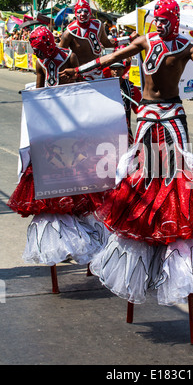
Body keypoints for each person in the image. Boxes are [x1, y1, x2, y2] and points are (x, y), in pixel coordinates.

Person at [60, 0, 193, 307]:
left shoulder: (187, 47)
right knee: (143, 179)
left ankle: (176, 243)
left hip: (172, 117)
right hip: (146, 115)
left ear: (175, 19)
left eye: (164, 20)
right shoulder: (145, 39)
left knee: (177, 179)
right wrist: (80, 70)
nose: (159, 24)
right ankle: (143, 247)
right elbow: (111, 58)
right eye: (156, 20)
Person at [7, 26, 108, 282]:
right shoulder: (40, 61)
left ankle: (87, 239)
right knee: (52, 185)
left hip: (70, 125)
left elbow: (81, 88)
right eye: (37, 50)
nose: (41, 52)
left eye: (42, 47)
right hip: (49, 126)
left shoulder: (68, 57)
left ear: (50, 44)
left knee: (79, 183)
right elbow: (40, 90)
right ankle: (63, 241)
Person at [59, 0, 117, 80]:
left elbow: (107, 44)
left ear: (90, 12)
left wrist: (129, 39)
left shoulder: (99, 26)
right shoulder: (69, 33)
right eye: (79, 11)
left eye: (85, 11)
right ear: (75, 14)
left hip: (98, 72)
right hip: (80, 75)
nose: (82, 14)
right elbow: (61, 56)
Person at [109, 60, 141, 145]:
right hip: (108, 128)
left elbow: (138, 107)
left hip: (124, 127)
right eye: (113, 69)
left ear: (123, 70)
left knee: (124, 153)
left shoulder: (131, 87)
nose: (116, 71)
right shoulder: (105, 86)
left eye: (119, 69)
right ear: (110, 70)